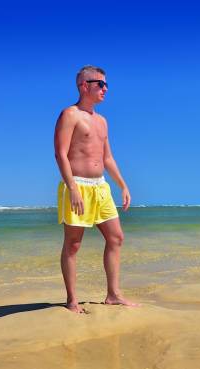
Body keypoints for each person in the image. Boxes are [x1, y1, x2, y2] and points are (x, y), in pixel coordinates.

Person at [54, 65, 139, 313]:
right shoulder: (69, 115)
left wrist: (122, 185)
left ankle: (113, 294)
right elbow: (60, 154)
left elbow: (108, 158)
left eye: (106, 84)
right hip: (77, 184)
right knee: (73, 244)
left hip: (100, 187)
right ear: (83, 85)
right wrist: (72, 188)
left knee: (116, 237)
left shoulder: (102, 121)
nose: (105, 89)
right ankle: (72, 300)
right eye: (100, 84)